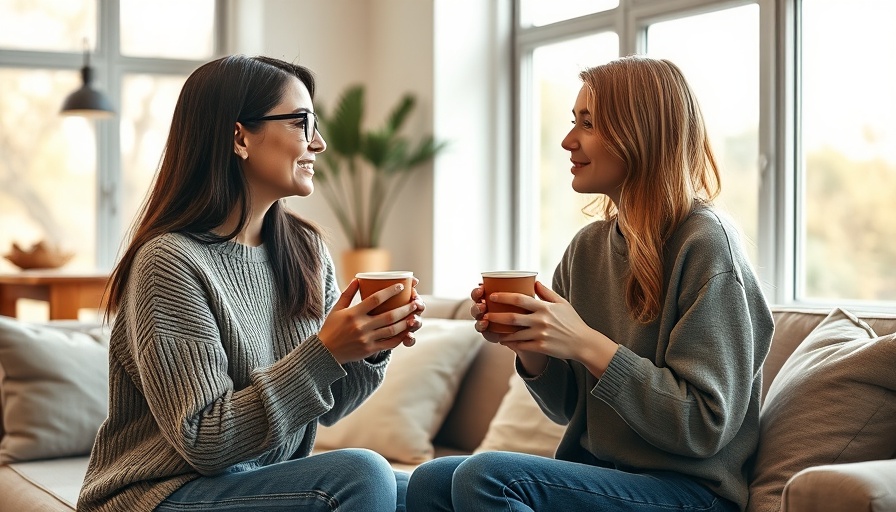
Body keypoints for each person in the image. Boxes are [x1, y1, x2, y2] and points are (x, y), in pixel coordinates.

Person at [406, 55, 774, 512]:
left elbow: (702, 426)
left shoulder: (706, 245)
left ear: (638, 133)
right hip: (603, 478)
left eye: (588, 124)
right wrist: (532, 348)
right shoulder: (587, 249)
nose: (567, 140)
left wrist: (585, 343)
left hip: (691, 493)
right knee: (431, 480)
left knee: (487, 477)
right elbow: (569, 410)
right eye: (572, 122)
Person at [77, 54, 423, 512]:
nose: (318, 143)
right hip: (157, 494)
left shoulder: (305, 249)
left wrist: (370, 345)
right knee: (362, 474)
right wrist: (326, 352)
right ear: (240, 135)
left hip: (255, 483)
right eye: (302, 122)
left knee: (434, 488)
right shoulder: (170, 262)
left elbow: (328, 406)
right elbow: (203, 440)